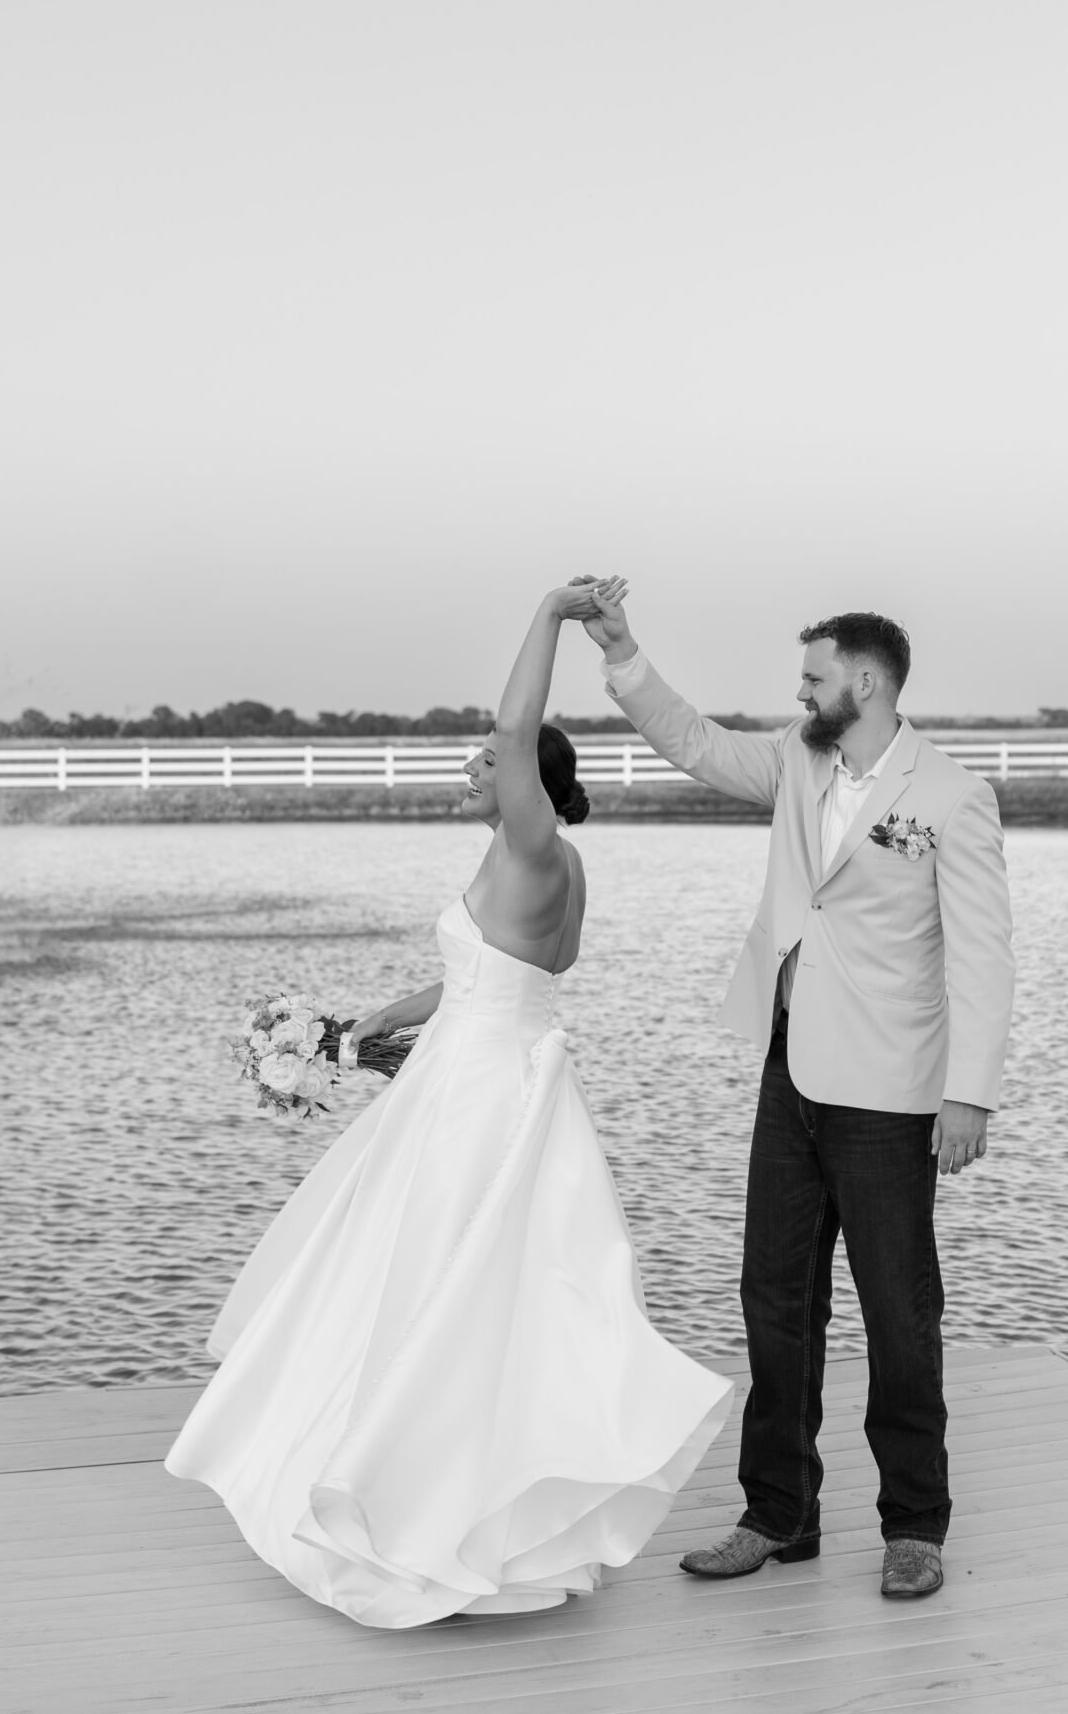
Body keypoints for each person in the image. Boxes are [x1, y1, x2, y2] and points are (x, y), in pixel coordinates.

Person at [166, 584, 732, 1628]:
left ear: (529, 786)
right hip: (490, 1073)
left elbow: (516, 726)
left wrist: (553, 614)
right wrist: (359, 1031)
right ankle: (480, 1510)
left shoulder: (530, 846)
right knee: (473, 1298)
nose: (476, 765)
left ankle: (409, 1518)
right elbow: (493, 975)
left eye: (488, 762)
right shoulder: (551, 870)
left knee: (434, 1290)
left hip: (477, 1099)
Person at [574, 578, 1014, 1602]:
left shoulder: (951, 797)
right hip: (790, 1073)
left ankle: (914, 1525)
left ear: (865, 680)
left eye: (813, 675)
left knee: (899, 1314)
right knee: (774, 1301)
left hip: (893, 1092)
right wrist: (625, 650)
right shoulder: (794, 762)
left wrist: (970, 1094)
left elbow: (983, 961)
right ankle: (778, 1514)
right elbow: (692, 741)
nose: (800, 690)